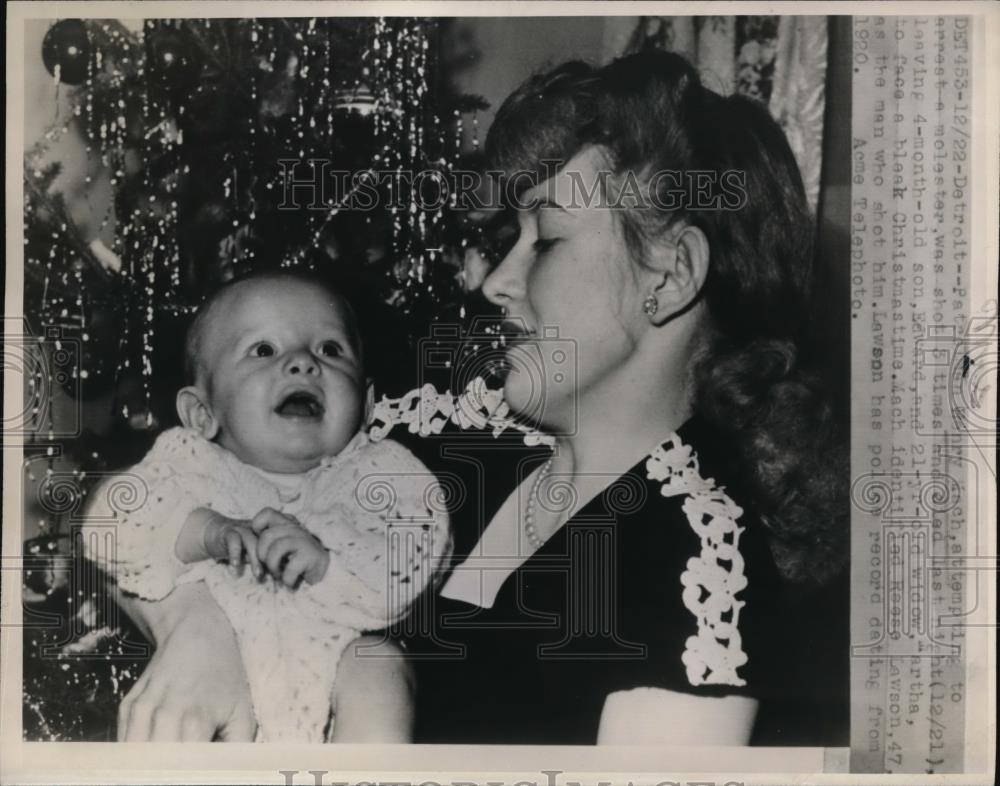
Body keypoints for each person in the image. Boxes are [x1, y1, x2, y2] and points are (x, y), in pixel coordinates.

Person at [109, 49, 847, 745]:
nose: (494, 282)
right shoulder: (449, 433)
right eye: (508, 238)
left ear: (672, 274)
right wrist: (194, 625)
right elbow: (150, 498)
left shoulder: (697, 574)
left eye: (547, 241)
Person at [82, 270, 450, 742]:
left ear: (368, 402)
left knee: (377, 673)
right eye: (264, 350)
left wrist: (327, 564)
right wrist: (204, 530)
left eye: (330, 350)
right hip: (217, 709)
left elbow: (415, 557)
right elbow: (109, 525)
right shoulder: (190, 463)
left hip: (336, 702)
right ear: (202, 413)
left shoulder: (382, 475)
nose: (303, 363)